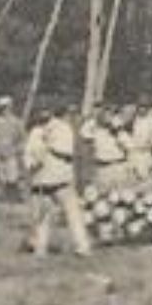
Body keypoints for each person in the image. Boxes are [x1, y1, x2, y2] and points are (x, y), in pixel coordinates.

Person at [24, 101, 92, 257]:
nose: (43, 113)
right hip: (41, 179)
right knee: (42, 216)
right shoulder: (35, 131)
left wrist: (50, 146)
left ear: (51, 111)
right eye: (40, 110)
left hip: (61, 178)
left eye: (46, 110)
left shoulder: (62, 128)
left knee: (73, 214)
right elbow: (27, 153)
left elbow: (68, 153)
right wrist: (31, 164)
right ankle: (40, 248)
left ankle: (82, 247)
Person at [81, 105, 132, 190]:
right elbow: (84, 133)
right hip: (102, 168)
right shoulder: (95, 131)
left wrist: (117, 131)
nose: (107, 118)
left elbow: (130, 146)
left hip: (118, 167)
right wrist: (94, 119)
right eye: (105, 115)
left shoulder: (120, 132)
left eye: (110, 116)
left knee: (121, 196)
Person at [0, 95, 26, 201]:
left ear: (10, 107)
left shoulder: (17, 122)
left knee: (13, 176)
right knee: (1, 176)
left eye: (6, 107)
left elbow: (23, 139)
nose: (4, 110)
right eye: (2, 108)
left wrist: (16, 150)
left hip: (11, 153)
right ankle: (2, 196)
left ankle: (15, 196)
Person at [123, 95, 152, 182]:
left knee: (145, 180)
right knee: (132, 180)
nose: (142, 109)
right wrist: (129, 148)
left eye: (145, 107)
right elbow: (123, 136)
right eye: (140, 106)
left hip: (146, 155)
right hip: (133, 154)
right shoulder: (132, 120)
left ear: (148, 108)